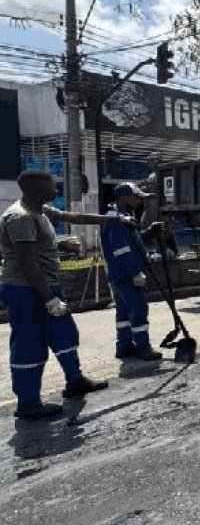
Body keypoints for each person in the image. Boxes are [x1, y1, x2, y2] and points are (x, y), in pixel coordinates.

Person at [0, 171, 133, 420]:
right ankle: (28, 403)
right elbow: (26, 263)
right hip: (27, 289)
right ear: (36, 188)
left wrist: (114, 220)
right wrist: (49, 299)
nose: (56, 190)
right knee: (30, 344)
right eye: (51, 186)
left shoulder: (40, 211)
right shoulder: (21, 217)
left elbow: (76, 217)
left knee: (65, 335)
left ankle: (75, 381)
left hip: (45, 285)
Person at [100, 182, 164, 361]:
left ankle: (124, 346)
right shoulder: (114, 220)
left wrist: (149, 232)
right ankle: (143, 347)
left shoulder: (123, 217)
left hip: (120, 274)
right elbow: (121, 250)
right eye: (136, 197)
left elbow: (134, 242)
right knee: (138, 309)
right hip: (125, 274)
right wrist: (135, 272)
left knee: (123, 312)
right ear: (124, 197)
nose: (138, 201)